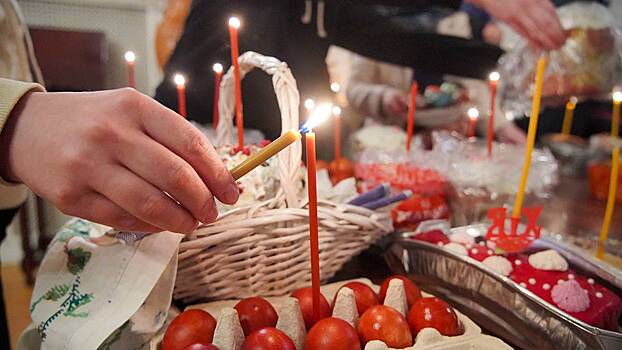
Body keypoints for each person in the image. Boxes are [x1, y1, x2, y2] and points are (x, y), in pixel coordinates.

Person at [155, 0, 566, 141]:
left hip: (280, 154)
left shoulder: (330, 9)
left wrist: (518, 71)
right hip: (188, 131)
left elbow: (398, 40)